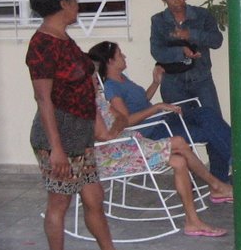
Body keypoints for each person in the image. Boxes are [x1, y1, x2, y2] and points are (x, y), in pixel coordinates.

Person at [24, 0, 151, 250]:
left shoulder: (65, 40)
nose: (78, 4)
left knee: (94, 196)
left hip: (80, 135)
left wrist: (101, 130)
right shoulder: (42, 45)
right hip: (58, 136)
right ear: (62, 3)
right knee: (59, 202)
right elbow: (44, 99)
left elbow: (87, 90)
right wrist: (57, 149)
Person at [148, 0, 241, 175]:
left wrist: (191, 35)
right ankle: (191, 178)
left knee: (214, 124)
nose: (177, 1)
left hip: (201, 79)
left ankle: (220, 178)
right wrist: (181, 51)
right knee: (184, 129)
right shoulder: (159, 21)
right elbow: (156, 51)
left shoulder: (201, 15)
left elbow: (216, 40)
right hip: (173, 83)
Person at [91, 74, 231, 237]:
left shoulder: (98, 99)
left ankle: (193, 221)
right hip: (113, 156)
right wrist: (117, 128)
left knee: (179, 161)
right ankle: (216, 186)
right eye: (92, 78)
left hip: (128, 144)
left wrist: (117, 127)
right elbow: (103, 135)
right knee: (178, 142)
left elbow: (122, 119)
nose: (96, 80)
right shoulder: (85, 103)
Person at [88, 40, 237, 186]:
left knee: (207, 113)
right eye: (120, 55)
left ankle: (235, 161)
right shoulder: (111, 87)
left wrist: (155, 83)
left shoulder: (123, 79)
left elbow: (141, 102)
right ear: (110, 61)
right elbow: (127, 121)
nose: (124, 56)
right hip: (153, 131)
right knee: (208, 131)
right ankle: (230, 171)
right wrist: (157, 107)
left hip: (163, 120)